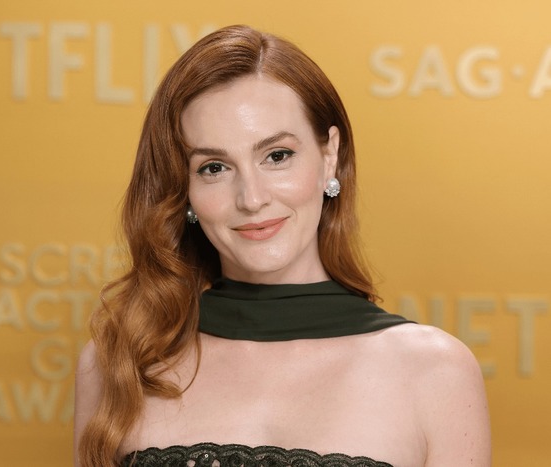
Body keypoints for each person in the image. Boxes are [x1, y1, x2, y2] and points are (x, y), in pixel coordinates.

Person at [74, 25, 490, 467]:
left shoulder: (436, 373)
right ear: (184, 189)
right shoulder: (117, 365)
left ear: (329, 155)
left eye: (277, 156)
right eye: (214, 167)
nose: (251, 199)